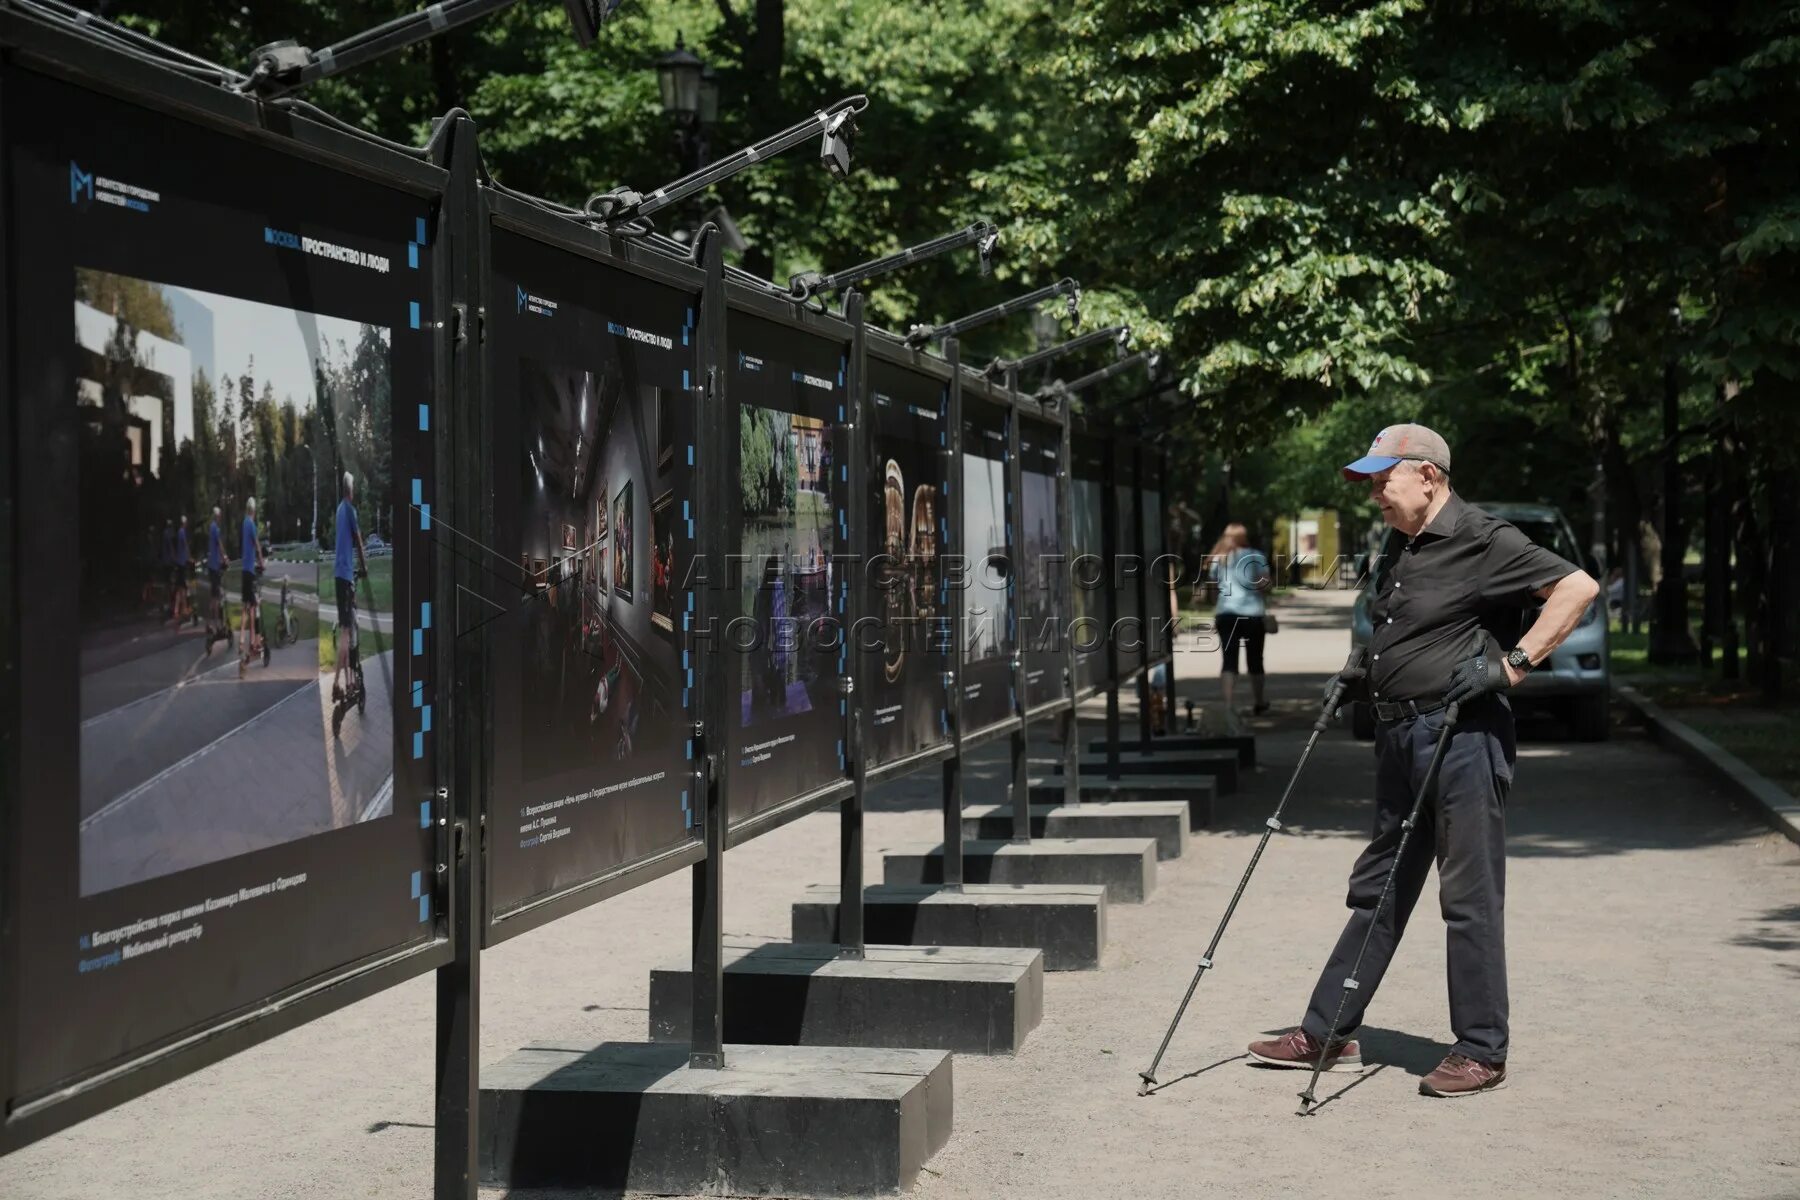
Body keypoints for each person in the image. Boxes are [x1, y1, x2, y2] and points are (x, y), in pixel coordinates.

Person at [1246, 424, 1599, 1097]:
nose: (1375, 492)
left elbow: (1577, 588)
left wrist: (1514, 665)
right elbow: (1400, 626)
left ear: (1428, 476)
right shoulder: (1400, 543)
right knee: (1379, 887)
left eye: (1385, 478)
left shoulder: (1484, 538)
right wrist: (1359, 672)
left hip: (1463, 737)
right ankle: (1326, 1031)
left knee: (1468, 895)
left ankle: (1481, 1050)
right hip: (1401, 737)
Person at [1207, 522, 1272, 716]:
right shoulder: (1257, 556)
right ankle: (1259, 702)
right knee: (1255, 660)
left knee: (1229, 661)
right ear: (1244, 537)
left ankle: (1228, 704)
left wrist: (1216, 602)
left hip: (1226, 613)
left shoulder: (1219, 559)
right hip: (1252, 614)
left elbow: (1212, 587)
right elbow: (1265, 586)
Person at [332, 472, 369, 702]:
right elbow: (358, 540)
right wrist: (364, 566)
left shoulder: (338, 510)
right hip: (346, 576)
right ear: (351, 490)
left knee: (345, 626)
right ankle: (337, 683)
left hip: (338, 575)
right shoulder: (350, 510)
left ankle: (349, 681)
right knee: (346, 632)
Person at [239, 497, 266, 675]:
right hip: (249, 572)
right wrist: (262, 562)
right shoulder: (251, 524)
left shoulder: (243, 523)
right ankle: (252, 644)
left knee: (247, 607)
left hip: (244, 571)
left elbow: (248, 546)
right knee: (255, 605)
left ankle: (244, 640)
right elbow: (256, 544)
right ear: (254, 511)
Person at [206, 505, 231, 648]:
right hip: (214, 567)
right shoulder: (215, 528)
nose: (220, 517)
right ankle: (216, 624)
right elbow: (220, 545)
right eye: (220, 515)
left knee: (214, 595)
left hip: (213, 566)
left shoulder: (212, 527)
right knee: (216, 596)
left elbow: (215, 548)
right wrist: (225, 558)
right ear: (217, 516)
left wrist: (222, 560)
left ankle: (211, 623)